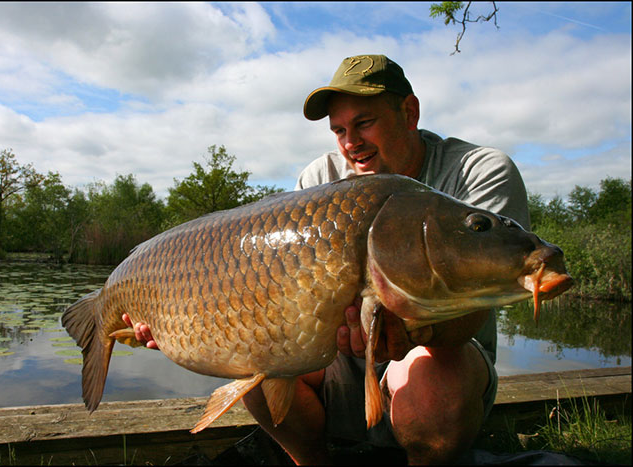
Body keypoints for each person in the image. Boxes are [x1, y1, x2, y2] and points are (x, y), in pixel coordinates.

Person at [124, 54, 530, 465]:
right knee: (258, 358)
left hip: (443, 356)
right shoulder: (320, 179)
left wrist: (408, 332)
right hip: (333, 357)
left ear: (409, 112)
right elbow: (269, 294)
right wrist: (182, 322)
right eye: (339, 130)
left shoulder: (478, 171)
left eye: (364, 123)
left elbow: (476, 308)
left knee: (433, 385)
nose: (351, 142)